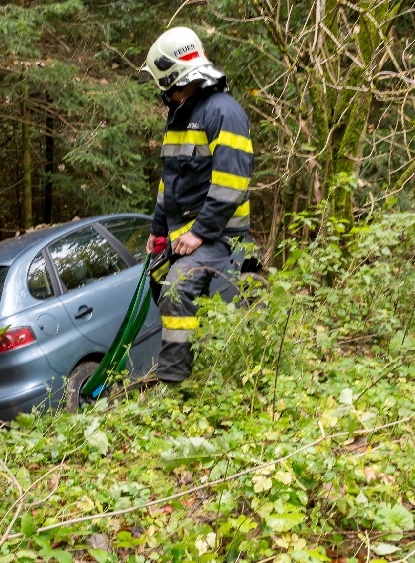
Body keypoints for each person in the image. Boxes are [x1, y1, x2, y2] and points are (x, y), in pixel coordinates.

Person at [137, 27, 254, 383]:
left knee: (177, 288)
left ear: (172, 76)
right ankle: (198, 358)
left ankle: (175, 383)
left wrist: (201, 232)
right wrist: (158, 230)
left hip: (219, 234)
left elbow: (232, 181)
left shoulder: (223, 113)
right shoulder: (180, 115)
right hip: (184, 232)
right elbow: (168, 182)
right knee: (159, 281)